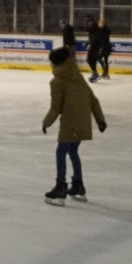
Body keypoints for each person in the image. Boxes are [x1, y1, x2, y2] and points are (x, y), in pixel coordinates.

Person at [42, 46, 106, 206]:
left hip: (70, 123)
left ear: (56, 63)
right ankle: (78, 185)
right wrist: (100, 120)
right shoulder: (78, 77)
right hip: (83, 122)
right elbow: (93, 100)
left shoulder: (57, 82)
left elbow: (56, 108)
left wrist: (46, 123)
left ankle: (60, 187)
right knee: (73, 151)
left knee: (61, 151)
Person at [84, 15, 100, 83]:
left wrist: (90, 44)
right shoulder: (93, 26)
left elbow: (94, 37)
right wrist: (87, 43)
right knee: (92, 60)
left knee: (90, 59)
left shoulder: (92, 25)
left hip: (94, 46)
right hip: (95, 45)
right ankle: (94, 73)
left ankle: (95, 73)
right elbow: (92, 37)